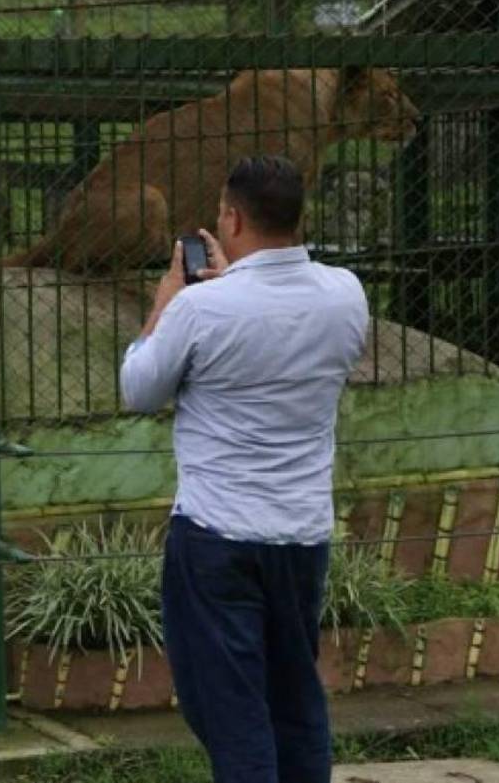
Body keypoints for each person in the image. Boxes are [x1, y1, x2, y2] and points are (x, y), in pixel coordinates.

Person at [119, 155, 369, 783]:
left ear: (230, 218)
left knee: (231, 715)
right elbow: (284, 329)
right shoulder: (347, 294)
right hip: (302, 538)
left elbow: (140, 389)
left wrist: (164, 304)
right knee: (295, 702)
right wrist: (237, 285)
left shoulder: (201, 310)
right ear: (298, 217)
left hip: (218, 539)